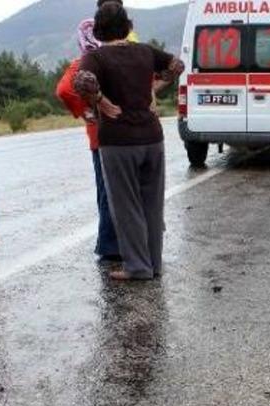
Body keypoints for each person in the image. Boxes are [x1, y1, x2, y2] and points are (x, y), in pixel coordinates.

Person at [74, 3, 184, 281]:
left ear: (98, 29)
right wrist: (154, 88)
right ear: (127, 26)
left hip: (118, 141)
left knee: (126, 206)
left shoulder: (96, 58)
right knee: (152, 204)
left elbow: (82, 82)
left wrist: (102, 102)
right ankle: (154, 264)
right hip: (152, 138)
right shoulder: (145, 51)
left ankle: (137, 267)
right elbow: (176, 65)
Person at [56, 19, 122, 263]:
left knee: (106, 191)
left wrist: (84, 109)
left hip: (99, 136)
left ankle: (111, 245)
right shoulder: (105, 59)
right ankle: (111, 246)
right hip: (121, 134)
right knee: (116, 191)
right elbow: (64, 89)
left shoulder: (84, 61)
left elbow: (64, 90)